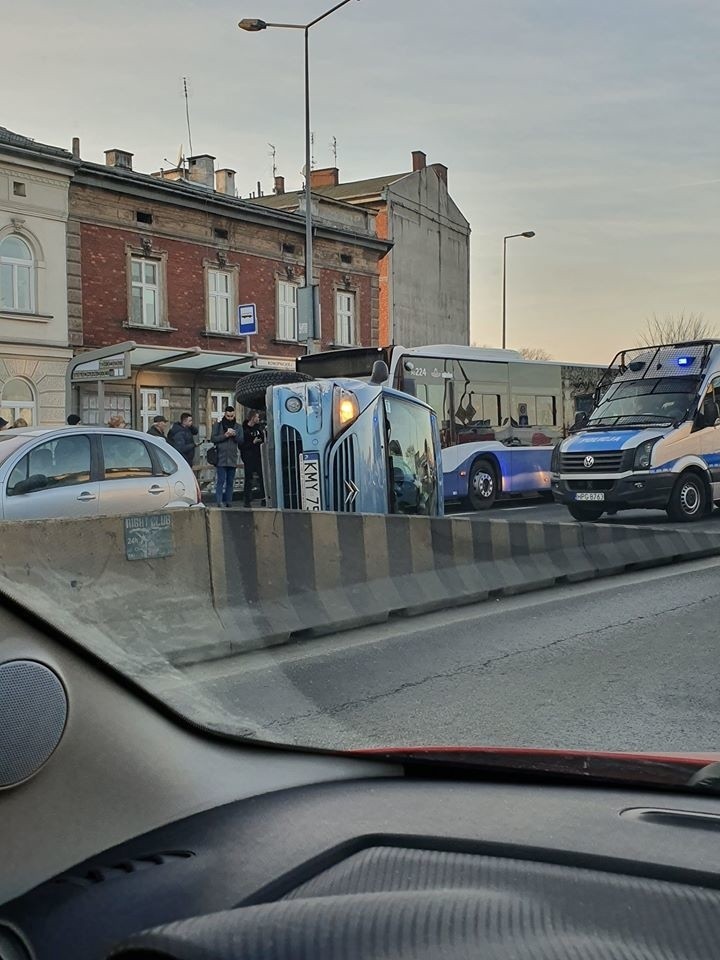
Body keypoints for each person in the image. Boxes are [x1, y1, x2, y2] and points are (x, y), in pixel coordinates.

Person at [211, 406, 240, 508]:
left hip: (232, 458)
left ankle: (229, 501)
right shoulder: (218, 426)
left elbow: (241, 440)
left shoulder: (238, 426)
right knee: (221, 480)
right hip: (221, 457)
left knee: (230, 481)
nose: (230, 418)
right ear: (225, 415)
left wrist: (235, 435)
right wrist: (225, 435)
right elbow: (213, 438)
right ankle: (219, 501)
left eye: (232, 416)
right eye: (228, 416)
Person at [241, 410, 265, 507]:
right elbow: (242, 445)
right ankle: (247, 499)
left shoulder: (258, 428)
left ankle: (263, 497)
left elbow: (263, 438)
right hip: (248, 457)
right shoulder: (244, 429)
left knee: (262, 477)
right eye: (257, 417)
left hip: (258, 456)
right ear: (252, 417)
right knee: (248, 478)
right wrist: (253, 442)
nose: (258, 419)